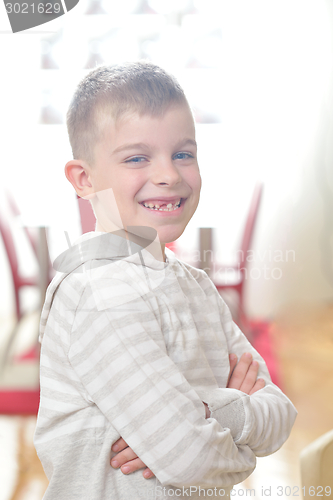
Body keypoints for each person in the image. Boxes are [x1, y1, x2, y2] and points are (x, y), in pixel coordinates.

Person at [34, 61, 297, 500]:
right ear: (84, 179)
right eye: (137, 158)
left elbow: (281, 418)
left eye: (183, 154)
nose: (169, 175)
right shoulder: (97, 295)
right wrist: (228, 420)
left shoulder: (195, 284)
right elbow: (190, 459)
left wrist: (205, 415)